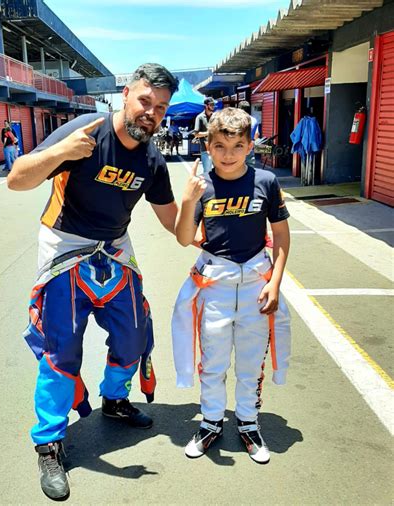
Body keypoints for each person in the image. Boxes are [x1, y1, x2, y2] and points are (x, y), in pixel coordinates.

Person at [7, 63, 179, 500]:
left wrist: (220, 225)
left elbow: (172, 222)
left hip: (114, 248)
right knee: (61, 347)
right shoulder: (87, 129)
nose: (150, 113)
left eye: (160, 107)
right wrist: (59, 152)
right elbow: (16, 180)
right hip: (65, 245)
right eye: (145, 101)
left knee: (134, 334)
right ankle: (49, 441)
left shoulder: (153, 159)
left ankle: (115, 399)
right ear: (126, 94)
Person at [172, 107, 291, 464]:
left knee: (251, 363)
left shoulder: (266, 182)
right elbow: (183, 238)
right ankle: (210, 421)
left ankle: (248, 422)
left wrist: (276, 282)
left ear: (250, 145)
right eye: (220, 146)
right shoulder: (202, 185)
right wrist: (189, 199)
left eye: (237, 145)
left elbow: (282, 237)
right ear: (208, 146)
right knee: (213, 362)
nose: (228, 154)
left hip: (256, 285)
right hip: (215, 287)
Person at [194, 97, 215, 173]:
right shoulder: (200, 117)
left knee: (220, 172)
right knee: (207, 172)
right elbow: (196, 134)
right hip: (206, 150)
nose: (213, 106)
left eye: (213, 104)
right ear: (206, 106)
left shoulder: (215, 117)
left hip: (217, 149)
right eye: (211, 104)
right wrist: (208, 133)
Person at [238, 100, 260, 168]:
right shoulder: (254, 120)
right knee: (250, 168)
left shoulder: (236, 120)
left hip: (238, 148)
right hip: (250, 147)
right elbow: (257, 134)